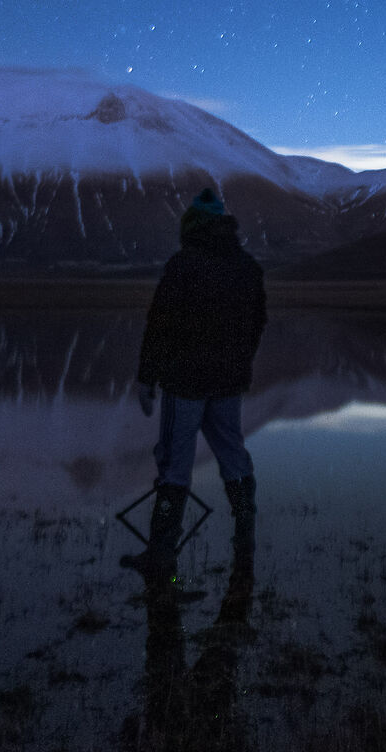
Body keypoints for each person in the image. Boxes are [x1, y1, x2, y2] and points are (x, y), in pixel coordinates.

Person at [130, 187, 267, 567]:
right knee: (234, 457)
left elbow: (159, 325)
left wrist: (147, 377)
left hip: (185, 383)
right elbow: (257, 324)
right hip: (228, 383)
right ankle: (245, 545)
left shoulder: (182, 266)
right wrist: (241, 364)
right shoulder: (247, 267)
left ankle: (161, 557)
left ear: (192, 225)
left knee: (175, 464)